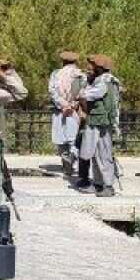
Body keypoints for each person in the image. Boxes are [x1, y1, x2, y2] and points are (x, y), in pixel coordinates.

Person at [78, 55, 122, 197]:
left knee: (104, 154)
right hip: (95, 120)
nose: (91, 68)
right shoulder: (100, 80)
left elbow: (90, 95)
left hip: (101, 122)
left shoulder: (105, 81)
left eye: (94, 65)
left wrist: (83, 93)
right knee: (94, 154)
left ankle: (108, 185)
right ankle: (98, 184)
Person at [47, 51, 86, 175]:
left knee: (60, 138)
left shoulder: (55, 74)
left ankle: (65, 164)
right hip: (74, 111)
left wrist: (63, 104)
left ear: (63, 61)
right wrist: (72, 105)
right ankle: (72, 159)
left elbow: (52, 91)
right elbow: (83, 93)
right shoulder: (81, 75)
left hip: (59, 111)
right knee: (74, 138)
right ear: (75, 61)